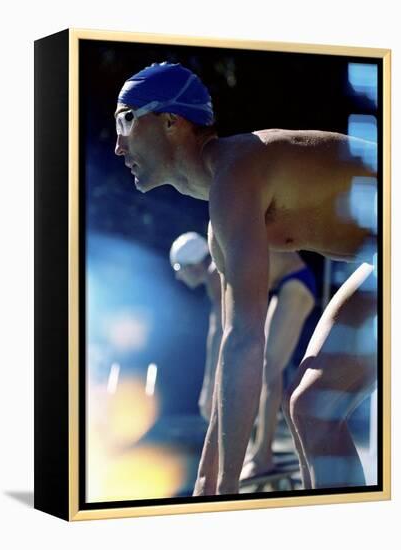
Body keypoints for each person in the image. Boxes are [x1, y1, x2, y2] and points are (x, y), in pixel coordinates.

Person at [114, 62, 378, 495]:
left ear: (169, 122)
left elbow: (244, 341)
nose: (119, 146)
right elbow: (231, 347)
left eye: (125, 120)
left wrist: (222, 489)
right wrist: (209, 476)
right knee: (313, 408)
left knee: (310, 404)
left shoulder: (237, 173)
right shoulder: (221, 209)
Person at [169, 232, 316, 478]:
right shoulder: (216, 268)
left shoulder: (216, 272)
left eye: (179, 268)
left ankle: (263, 456)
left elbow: (219, 331)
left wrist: (209, 387)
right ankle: (258, 451)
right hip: (284, 284)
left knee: (270, 368)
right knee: (262, 367)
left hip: (296, 281)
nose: (177, 275)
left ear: (193, 265)